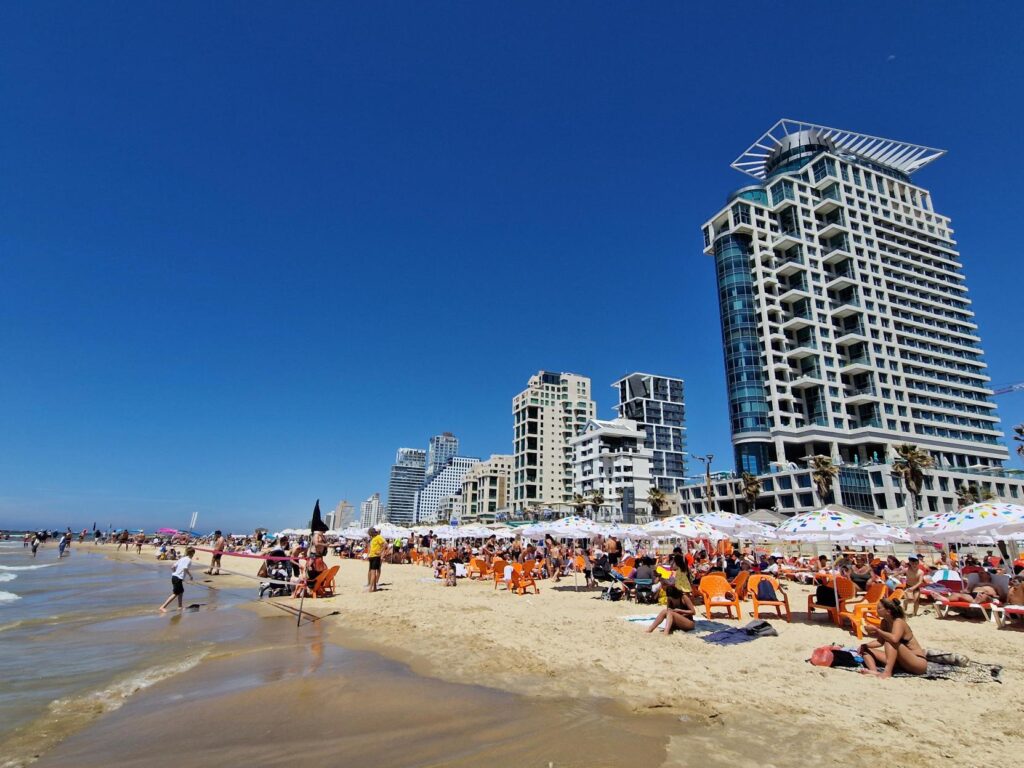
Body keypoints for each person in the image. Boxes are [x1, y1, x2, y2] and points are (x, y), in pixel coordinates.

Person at [859, 598, 927, 678]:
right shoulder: (884, 622)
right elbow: (879, 642)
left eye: (879, 608)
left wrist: (876, 630)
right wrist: (864, 645)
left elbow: (894, 639)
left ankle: (887, 673)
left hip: (917, 662)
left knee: (890, 641)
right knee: (866, 650)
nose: (877, 610)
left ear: (888, 611)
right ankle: (874, 671)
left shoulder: (898, 622)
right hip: (901, 661)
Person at [160, 547, 196, 613]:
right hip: (178, 578)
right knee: (175, 593)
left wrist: (175, 573)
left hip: (174, 576)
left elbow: (173, 566)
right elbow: (185, 568)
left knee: (181, 591)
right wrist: (190, 576)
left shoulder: (182, 558)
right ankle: (163, 607)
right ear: (192, 553)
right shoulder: (188, 560)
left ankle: (180, 606)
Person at [367, 527, 387, 592]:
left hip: (376, 556)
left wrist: (380, 551)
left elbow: (385, 544)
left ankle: (370, 588)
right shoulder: (373, 538)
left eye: (370, 533)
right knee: (373, 572)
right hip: (372, 556)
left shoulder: (378, 537)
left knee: (373, 572)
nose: (369, 534)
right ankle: (374, 588)